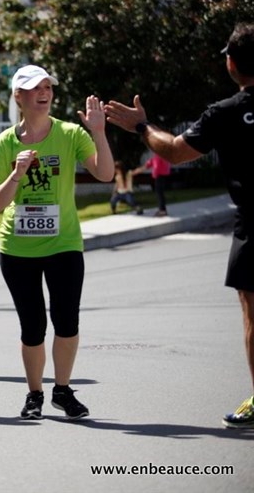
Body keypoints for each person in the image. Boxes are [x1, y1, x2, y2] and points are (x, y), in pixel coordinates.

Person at [105, 22, 254, 429]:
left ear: (231, 63)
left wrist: (141, 126)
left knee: (253, 314)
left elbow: (172, 151)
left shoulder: (225, 113)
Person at [0, 65, 114, 421]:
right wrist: (17, 174)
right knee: (32, 327)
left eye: (48, 87)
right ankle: (35, 394)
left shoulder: (70, 133)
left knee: (67, 320)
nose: (44, 93)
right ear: (18, 96)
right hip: (18, 249)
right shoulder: (4, 144)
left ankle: (62, 390)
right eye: (35, 88)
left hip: (64, 245)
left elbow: (105, 173)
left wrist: (99, 132)